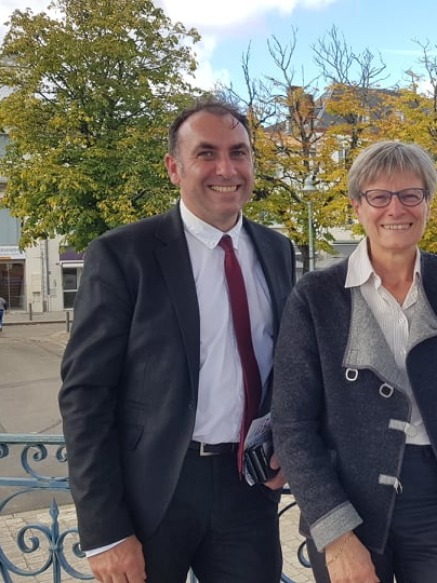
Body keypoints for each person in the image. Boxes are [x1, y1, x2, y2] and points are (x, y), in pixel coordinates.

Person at [58, 97, 296, 583]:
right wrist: (104, 530)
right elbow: (85, 394)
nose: (226, 169)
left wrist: (289, 444)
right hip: (151, 493)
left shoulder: (277, 250)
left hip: (248, 488)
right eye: (206, 153)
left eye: (239, 152)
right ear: (174, 168)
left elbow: (288, 366)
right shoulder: (123, 255)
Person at [272, 140, 437, 583]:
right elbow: (292, 424)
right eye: (379, 196)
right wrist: (335, 533)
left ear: (428, 202)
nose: (396, 208)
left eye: (410, 194)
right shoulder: (316, 297)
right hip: (346, 494)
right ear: (357, 206)